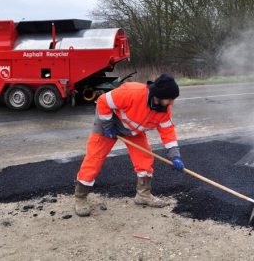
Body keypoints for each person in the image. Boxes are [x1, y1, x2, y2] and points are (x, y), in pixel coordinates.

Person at [74, 74, 185, 217]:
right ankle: (80, 197)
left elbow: (168, 132)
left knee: (144, 157)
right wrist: (108, 126)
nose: (172, 103)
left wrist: (175, 156)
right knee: (94, 158)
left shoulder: (164, 111)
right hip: (109, 123)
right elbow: (103, 101)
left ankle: (143, 195)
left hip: (133, 131)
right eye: (169, 99)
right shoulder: (132, 92)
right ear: (158, 96)